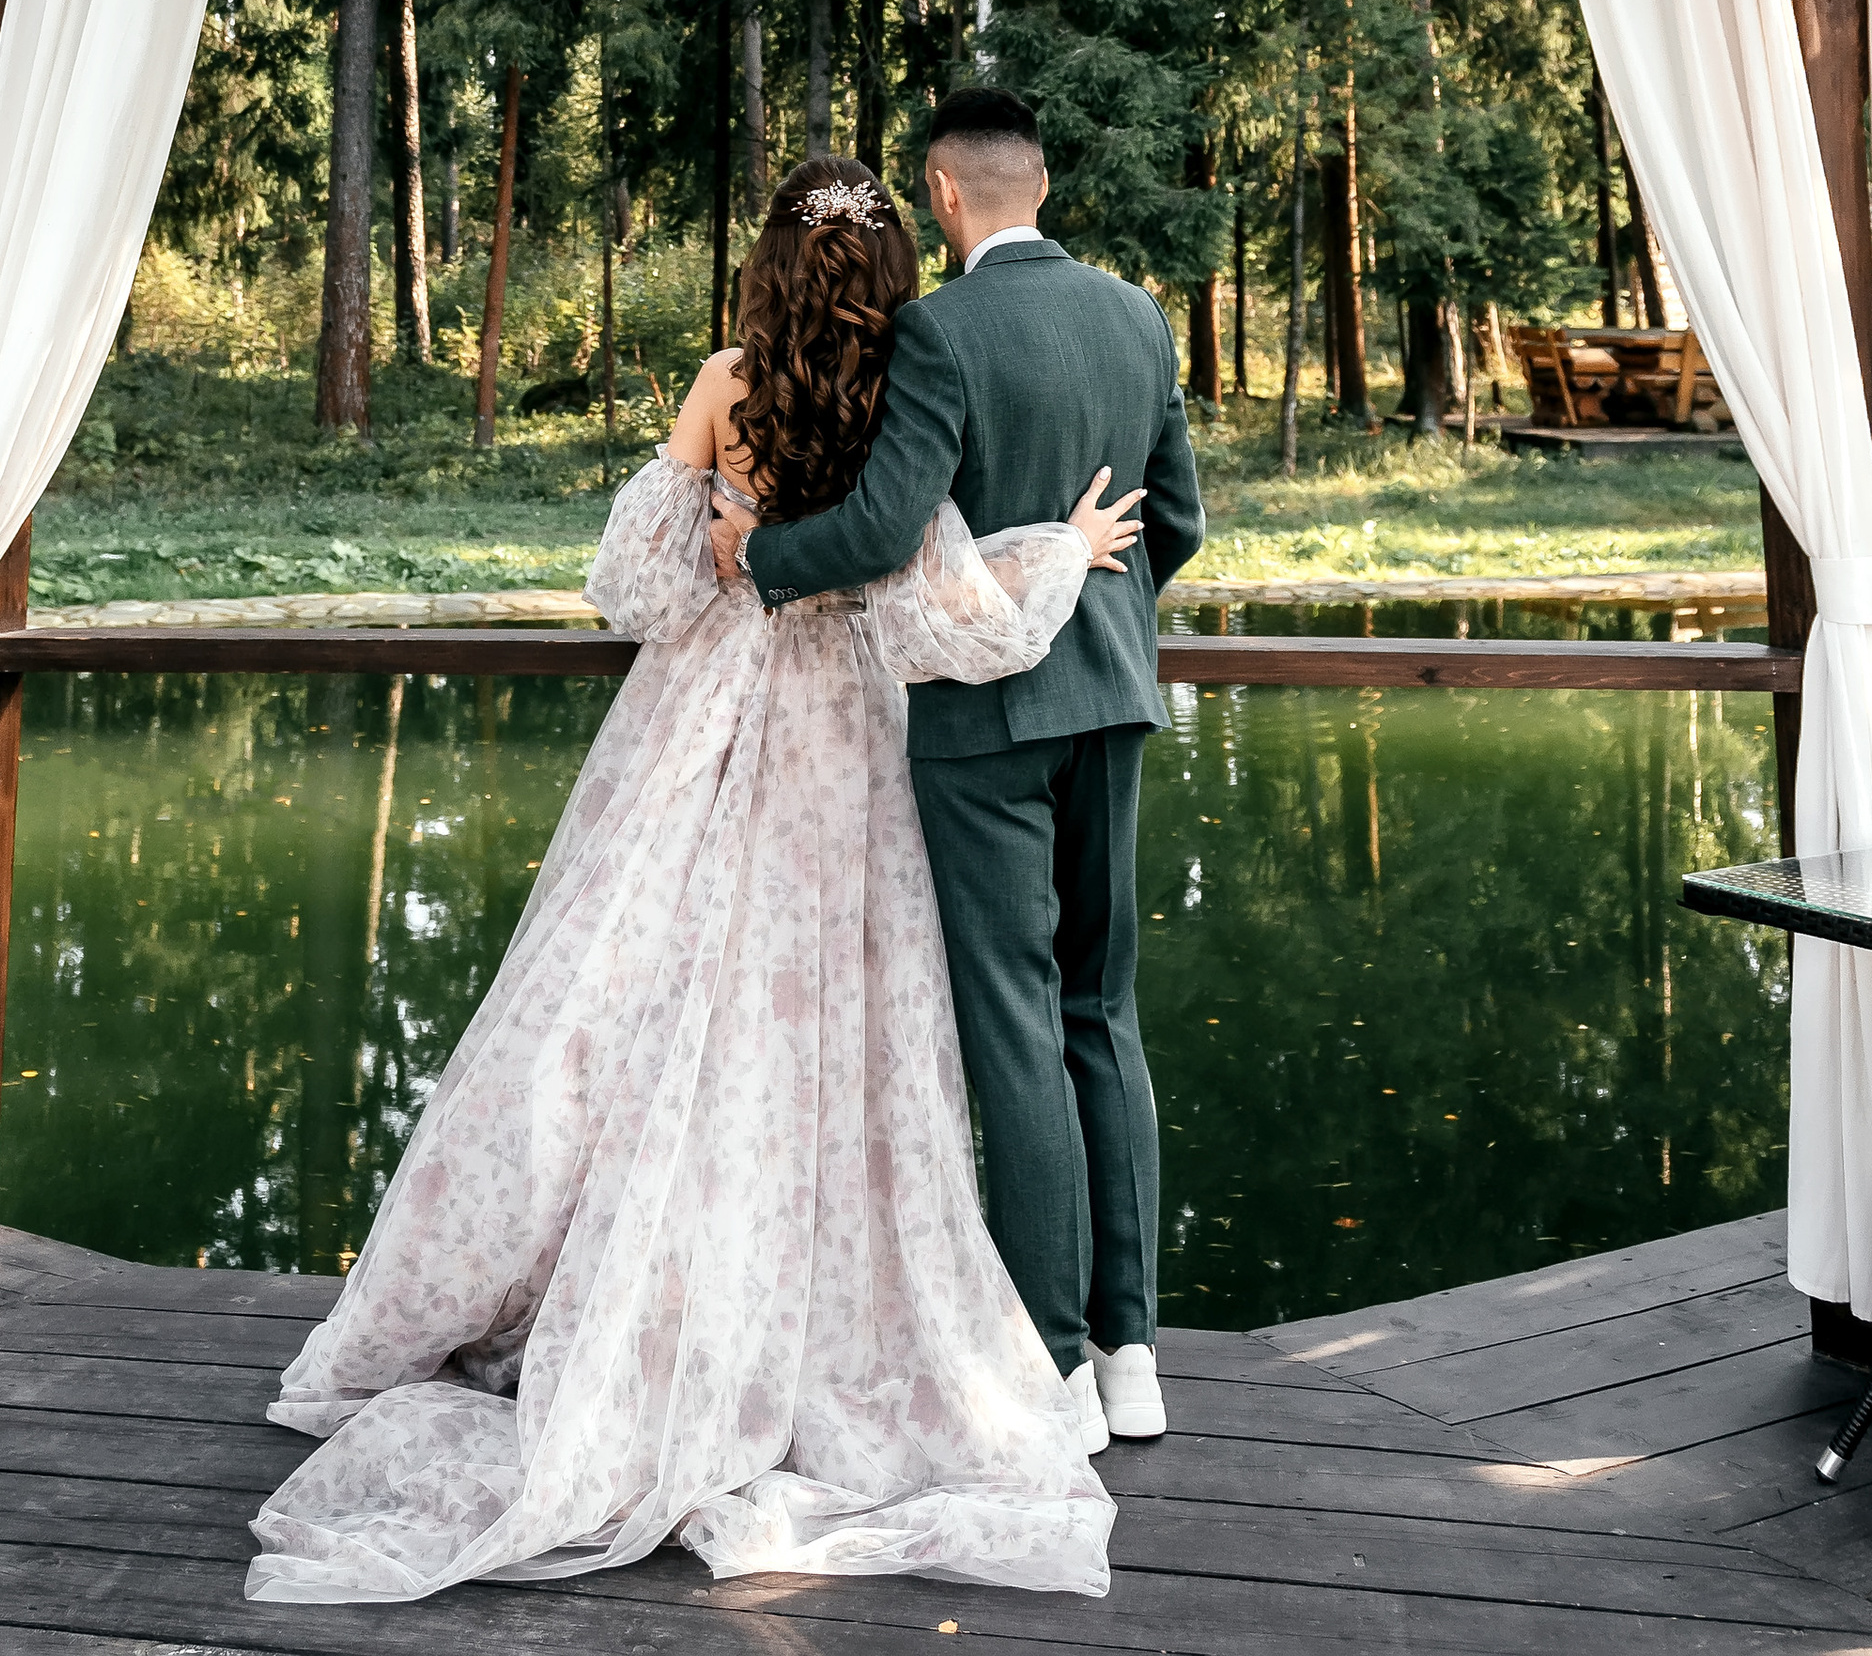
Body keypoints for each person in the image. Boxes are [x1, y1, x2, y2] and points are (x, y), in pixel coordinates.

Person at [244, 153, 1141, 1606]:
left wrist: (733, 542)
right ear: (890, 267)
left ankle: (616, 1305)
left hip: (705, 724)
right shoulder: (902, 391)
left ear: (769, 267)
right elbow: (946, 610)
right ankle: (821, 1331)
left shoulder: (729, 382)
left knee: (637, 1000)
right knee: (829, 1025)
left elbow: (640, 588)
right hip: (846, 731)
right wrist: (1065, 553)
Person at [713, 86, 1204, 1446]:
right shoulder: (1137, 315)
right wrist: (1088, 604)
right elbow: (1181, 522)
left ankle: (1048, 1369)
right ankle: (1133, 1355)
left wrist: (757, 558)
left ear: (942, 193)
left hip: (985, 724)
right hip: (1115, 698)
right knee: (1104, 1015)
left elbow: (876, 530)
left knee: (1013, 1024)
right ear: (1036, 183)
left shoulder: (940, 331)